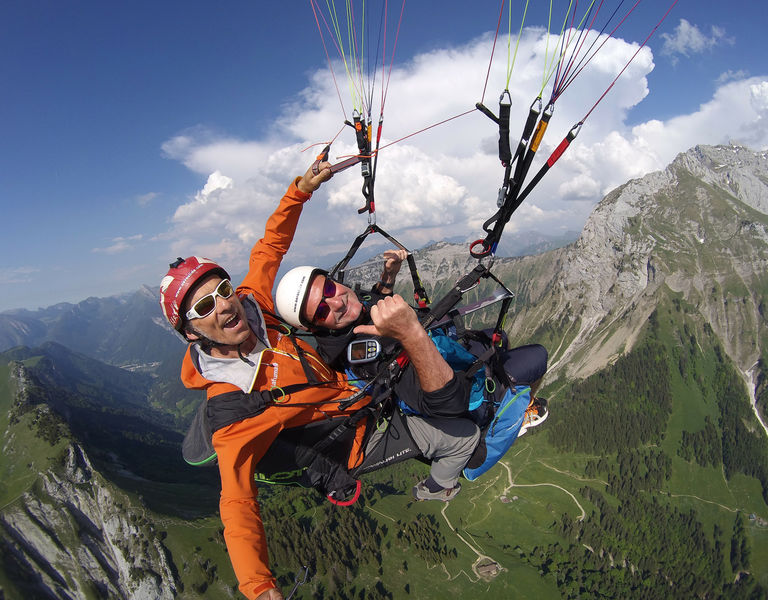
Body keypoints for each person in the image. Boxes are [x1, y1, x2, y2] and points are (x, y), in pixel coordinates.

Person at [160, 160, 480, 600]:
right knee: (463, 436)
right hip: (349, 439)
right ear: (190, 332)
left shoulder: (255, 305)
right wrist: (258, 588)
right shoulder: (231, 406)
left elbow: (269, 246)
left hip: (351, 390)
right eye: (202, 309)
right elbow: (236, 503)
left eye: (222, 291)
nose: (222, 307)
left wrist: (301, 189)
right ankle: (437, 486)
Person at [274, 250, 549, 429]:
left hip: (453, 352)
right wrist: (410, 333)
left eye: (330, 288)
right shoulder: (366, 355)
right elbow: (446, 404)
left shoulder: (353, 317)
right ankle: (516, 412)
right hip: (470, 396)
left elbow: (370, 303)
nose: (336, 302)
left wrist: (389, 275)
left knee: (499, 339)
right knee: (538, 355)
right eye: (322, 311)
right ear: (318, 329)